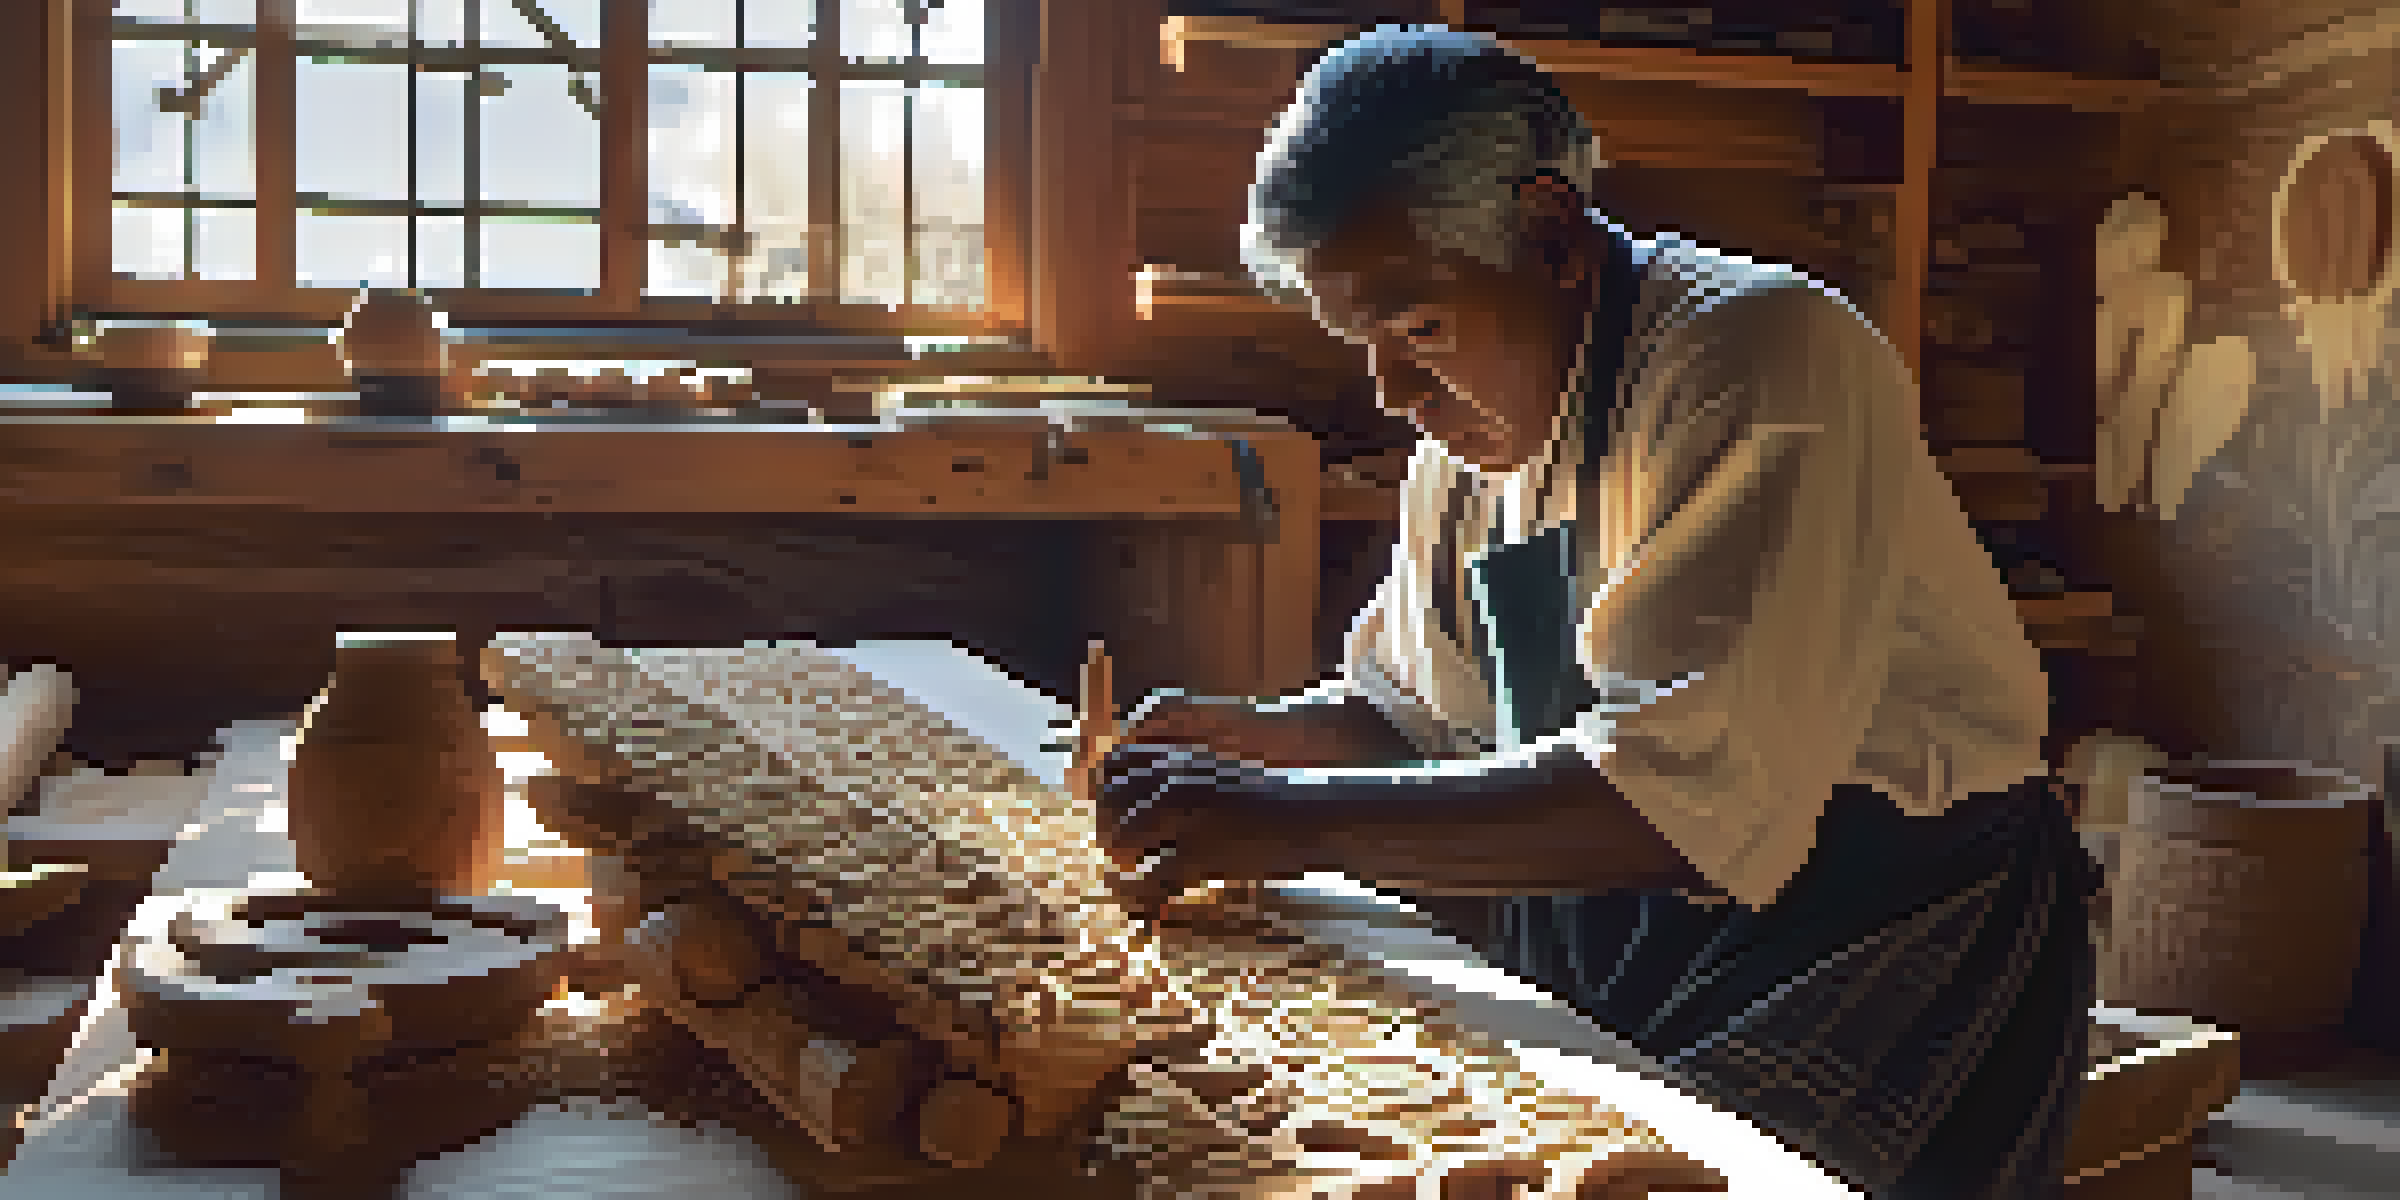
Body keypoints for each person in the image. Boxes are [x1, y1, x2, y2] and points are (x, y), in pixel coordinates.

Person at [1091, 26, 2097, 1200]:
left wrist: (1287, 817)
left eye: (1416, 328)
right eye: (1362, 343)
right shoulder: (1466, 437)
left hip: (1880, 918)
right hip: (1621, 896)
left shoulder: (1758, 357)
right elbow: (1425, 720)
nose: (1392, 391)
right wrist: (1256, 739)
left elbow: (1677, 800)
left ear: (1552, 235)